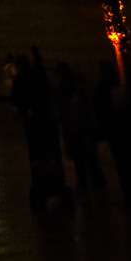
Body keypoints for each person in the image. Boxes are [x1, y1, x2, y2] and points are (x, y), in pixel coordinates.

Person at [12, 47, 72, 210]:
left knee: (36, 157)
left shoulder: (19, 81)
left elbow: (17, 103)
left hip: (33, 124)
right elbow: (49, 93)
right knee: (54, 154)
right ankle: (58, 186)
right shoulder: (38, 75)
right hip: (47, 121)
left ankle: (41, 189)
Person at [96, 58, 131, 200]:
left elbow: (102, 112)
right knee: (127, 162)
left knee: (123, 163)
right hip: (121, 131)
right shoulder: (114, 86)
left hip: (118, 132)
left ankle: (130, 192)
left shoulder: (104, 89)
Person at [54, 61, 104, 191]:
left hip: (74, 128)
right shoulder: (79, 87)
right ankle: (95, 180)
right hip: (83, 127)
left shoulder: (62, 89)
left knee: (79, 158)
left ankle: (84, 182)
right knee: (88, 156)